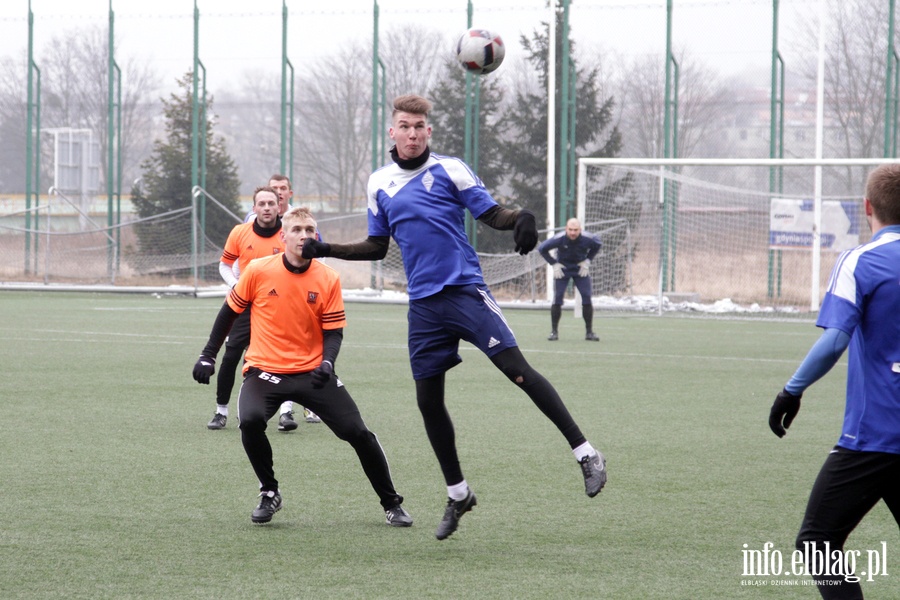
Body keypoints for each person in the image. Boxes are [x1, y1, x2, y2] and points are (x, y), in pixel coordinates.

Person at [302, 94, 607, 541]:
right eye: (403, 126)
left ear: (429, 131)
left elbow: (492, 213)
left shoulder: (450, 169)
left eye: (418, 126)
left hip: (464, 290)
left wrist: (522, 216)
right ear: (392, 131)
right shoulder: (379, 183)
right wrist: (328, 249)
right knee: (428, 402)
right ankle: (458, 493)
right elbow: (376, 246)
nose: (411, 133)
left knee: (517, 371)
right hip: (423, 306)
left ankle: (585, 453)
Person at [192, 206, 413, 527]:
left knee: (359, 434)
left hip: (313, 373)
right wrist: (208, 354)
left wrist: (327, 362)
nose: (304, 235)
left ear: (317, 236)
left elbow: (333, 332)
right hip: (264, 370)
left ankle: (392, 503)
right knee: (250, 421)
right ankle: (269, 492)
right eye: (297, 229)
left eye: (310, 230)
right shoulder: (257, 270)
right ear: (284, 236)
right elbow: (228, 312)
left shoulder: (327, 278)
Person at [768, 163, 900, 599]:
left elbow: (834, 342)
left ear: (868, 207)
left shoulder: (860, 260)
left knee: (817, 543)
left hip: (876, 435)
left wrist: (792, 390)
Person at [207, 186, 299, 432]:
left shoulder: (288, 233)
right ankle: (221, 411)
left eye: (272, 203)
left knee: (284, 357)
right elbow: (225, 265)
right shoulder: (240, 232)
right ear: (254, 207)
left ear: (279, 206)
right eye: (262, 204)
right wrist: (238, 285)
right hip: (246, 305)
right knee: (231, 356)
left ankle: (286, 413)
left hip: (279, 307)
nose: (267, 208)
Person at [244, 174, 323, 424]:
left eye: (282, 189)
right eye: (274, 188)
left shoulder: (305, 220)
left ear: (290, 193)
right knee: (268, 349)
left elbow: (319, 256)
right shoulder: (252, 223)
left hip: (304, 293)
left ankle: (312, 401)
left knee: (309, 342)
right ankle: (279, 409)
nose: (277, 193)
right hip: (266, 295)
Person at [538, 217, 602, 342]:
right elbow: (542, 249)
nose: (573, 233)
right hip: (563, 269)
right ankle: (554, 332)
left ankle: (589, 332)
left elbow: (597, 245)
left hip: (580, 269)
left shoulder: (589, 239)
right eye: (570, 230)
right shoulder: (559, 238)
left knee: (587, 296)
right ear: (566, 229)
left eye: (575, 230)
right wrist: (554, 264)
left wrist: (588, 261)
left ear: (580, 230)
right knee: (558, 298)